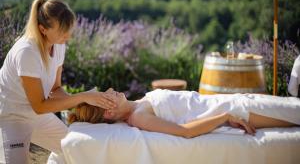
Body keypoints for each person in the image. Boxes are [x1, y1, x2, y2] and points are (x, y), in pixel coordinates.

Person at [0, 0, 117, 164]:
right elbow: (40, 105)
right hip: (11, 116)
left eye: (69, 29)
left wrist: (81, 104)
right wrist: (82, 97)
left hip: (37, 114)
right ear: (43, 29)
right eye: (62, 31)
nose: (67, 36)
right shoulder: (27, 52)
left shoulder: (59, 45)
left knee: (74, 148)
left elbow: (55, 89)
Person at [68, 89, 300, 138]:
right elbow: (183, 132)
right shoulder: (138, 117)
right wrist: (224, 117)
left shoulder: (139, 103)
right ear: (108, 113)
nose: (111, 89)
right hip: (239, 110)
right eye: (106, 95)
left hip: (235, 99)